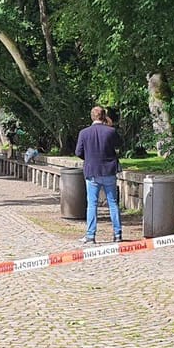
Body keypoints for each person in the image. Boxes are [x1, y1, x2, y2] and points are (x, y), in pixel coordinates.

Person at [74, 105, 123, 244]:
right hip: (109, 171)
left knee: (92, 204)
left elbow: (78, 152)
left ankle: (90, 235)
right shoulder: (111, 131)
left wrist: (89, 158)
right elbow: (120, 144)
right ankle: (117, 234)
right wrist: (110, 125)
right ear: (104, 117)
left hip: (92, 171)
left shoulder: (84, 133)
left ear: (92, 117)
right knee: (113, 203)